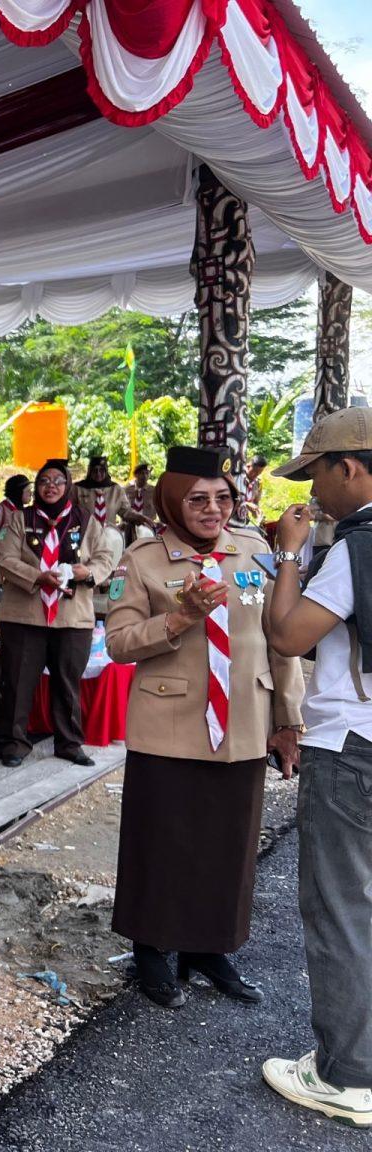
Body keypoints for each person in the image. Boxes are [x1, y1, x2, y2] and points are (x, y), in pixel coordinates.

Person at [104, 445, 302, 1010]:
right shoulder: (141, 559)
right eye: (197, 500)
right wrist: (180, 618)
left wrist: (288, 720)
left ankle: (208, 949)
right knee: (160, 840)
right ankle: (150, 949)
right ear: (172, 502)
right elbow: (118, 642)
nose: (213, 509)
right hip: (167, 724)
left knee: (228, 842)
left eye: (222, 498)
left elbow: (278, 639)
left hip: (243, 721)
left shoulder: (253, 552)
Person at [258, 409, 372, 1126]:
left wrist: (290, 554)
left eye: (317, 476)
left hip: (352, 745)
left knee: (341, 907)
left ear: (350, 468)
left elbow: (286, 633)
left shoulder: (356, 548)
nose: (312, 493)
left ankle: (348, 1075)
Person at [0, 459, 120, 768]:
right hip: (25, 614)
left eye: (57, 481)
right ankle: (14, 743)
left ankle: (69, 743)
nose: (50, 486)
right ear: (36, 487)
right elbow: (5, 558)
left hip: (71, 615)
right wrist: (38, 576)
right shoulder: (20, 518)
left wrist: (87, 572)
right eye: (44, 481)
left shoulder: (86, 520)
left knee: (67, 682)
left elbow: (105, 557)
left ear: (68, 486)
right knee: (18, 681)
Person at [73, 453, 130, 536]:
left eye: (102, 470)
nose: (98, 473)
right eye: (95, 470)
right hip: (85, 536)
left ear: (106, 471)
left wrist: (140, 518)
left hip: (109, 536)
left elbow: (126, 511)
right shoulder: (78, 488)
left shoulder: (115, 489)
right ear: (90, 471)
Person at [0, 475, 30, 540]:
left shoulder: (26, 512)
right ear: (18, 492)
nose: (31, 493)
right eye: (28, 490)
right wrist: (4, 544)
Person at [122, 463, 157, 541]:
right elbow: (122, 508)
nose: (145, 476)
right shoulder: (127, 490)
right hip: (130, 526)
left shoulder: (154, 491)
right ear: (136, 475)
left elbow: (159, 508)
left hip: (148, 526)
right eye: (142, 473)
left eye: (147, 473)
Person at [239, 454, 268, 523]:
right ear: (248, 466)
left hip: (243, 520)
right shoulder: (237, 478)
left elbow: (256, 502)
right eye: (255, 471)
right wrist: (245, 504)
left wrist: (257, 512)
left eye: (259, 473)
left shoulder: (258, 483)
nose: (256, 475)